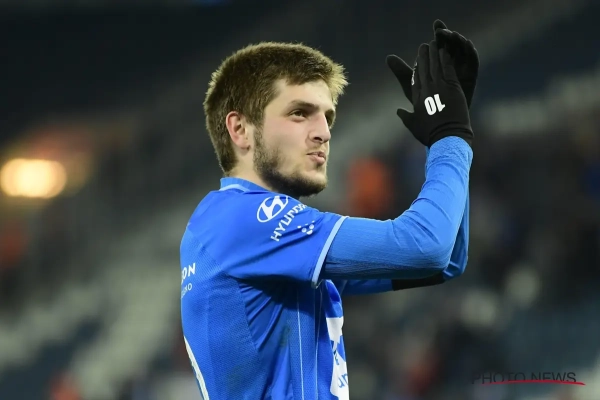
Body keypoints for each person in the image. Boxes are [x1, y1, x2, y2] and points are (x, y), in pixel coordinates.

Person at [180, 20, 479, 400]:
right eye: (299, 113)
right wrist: (450, 136)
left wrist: (452, 127)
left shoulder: (264, 244)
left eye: (328, 117)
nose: (323, 132)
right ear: (240, 129)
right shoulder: (241, 219)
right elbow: (426, 246)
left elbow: (445, 260)